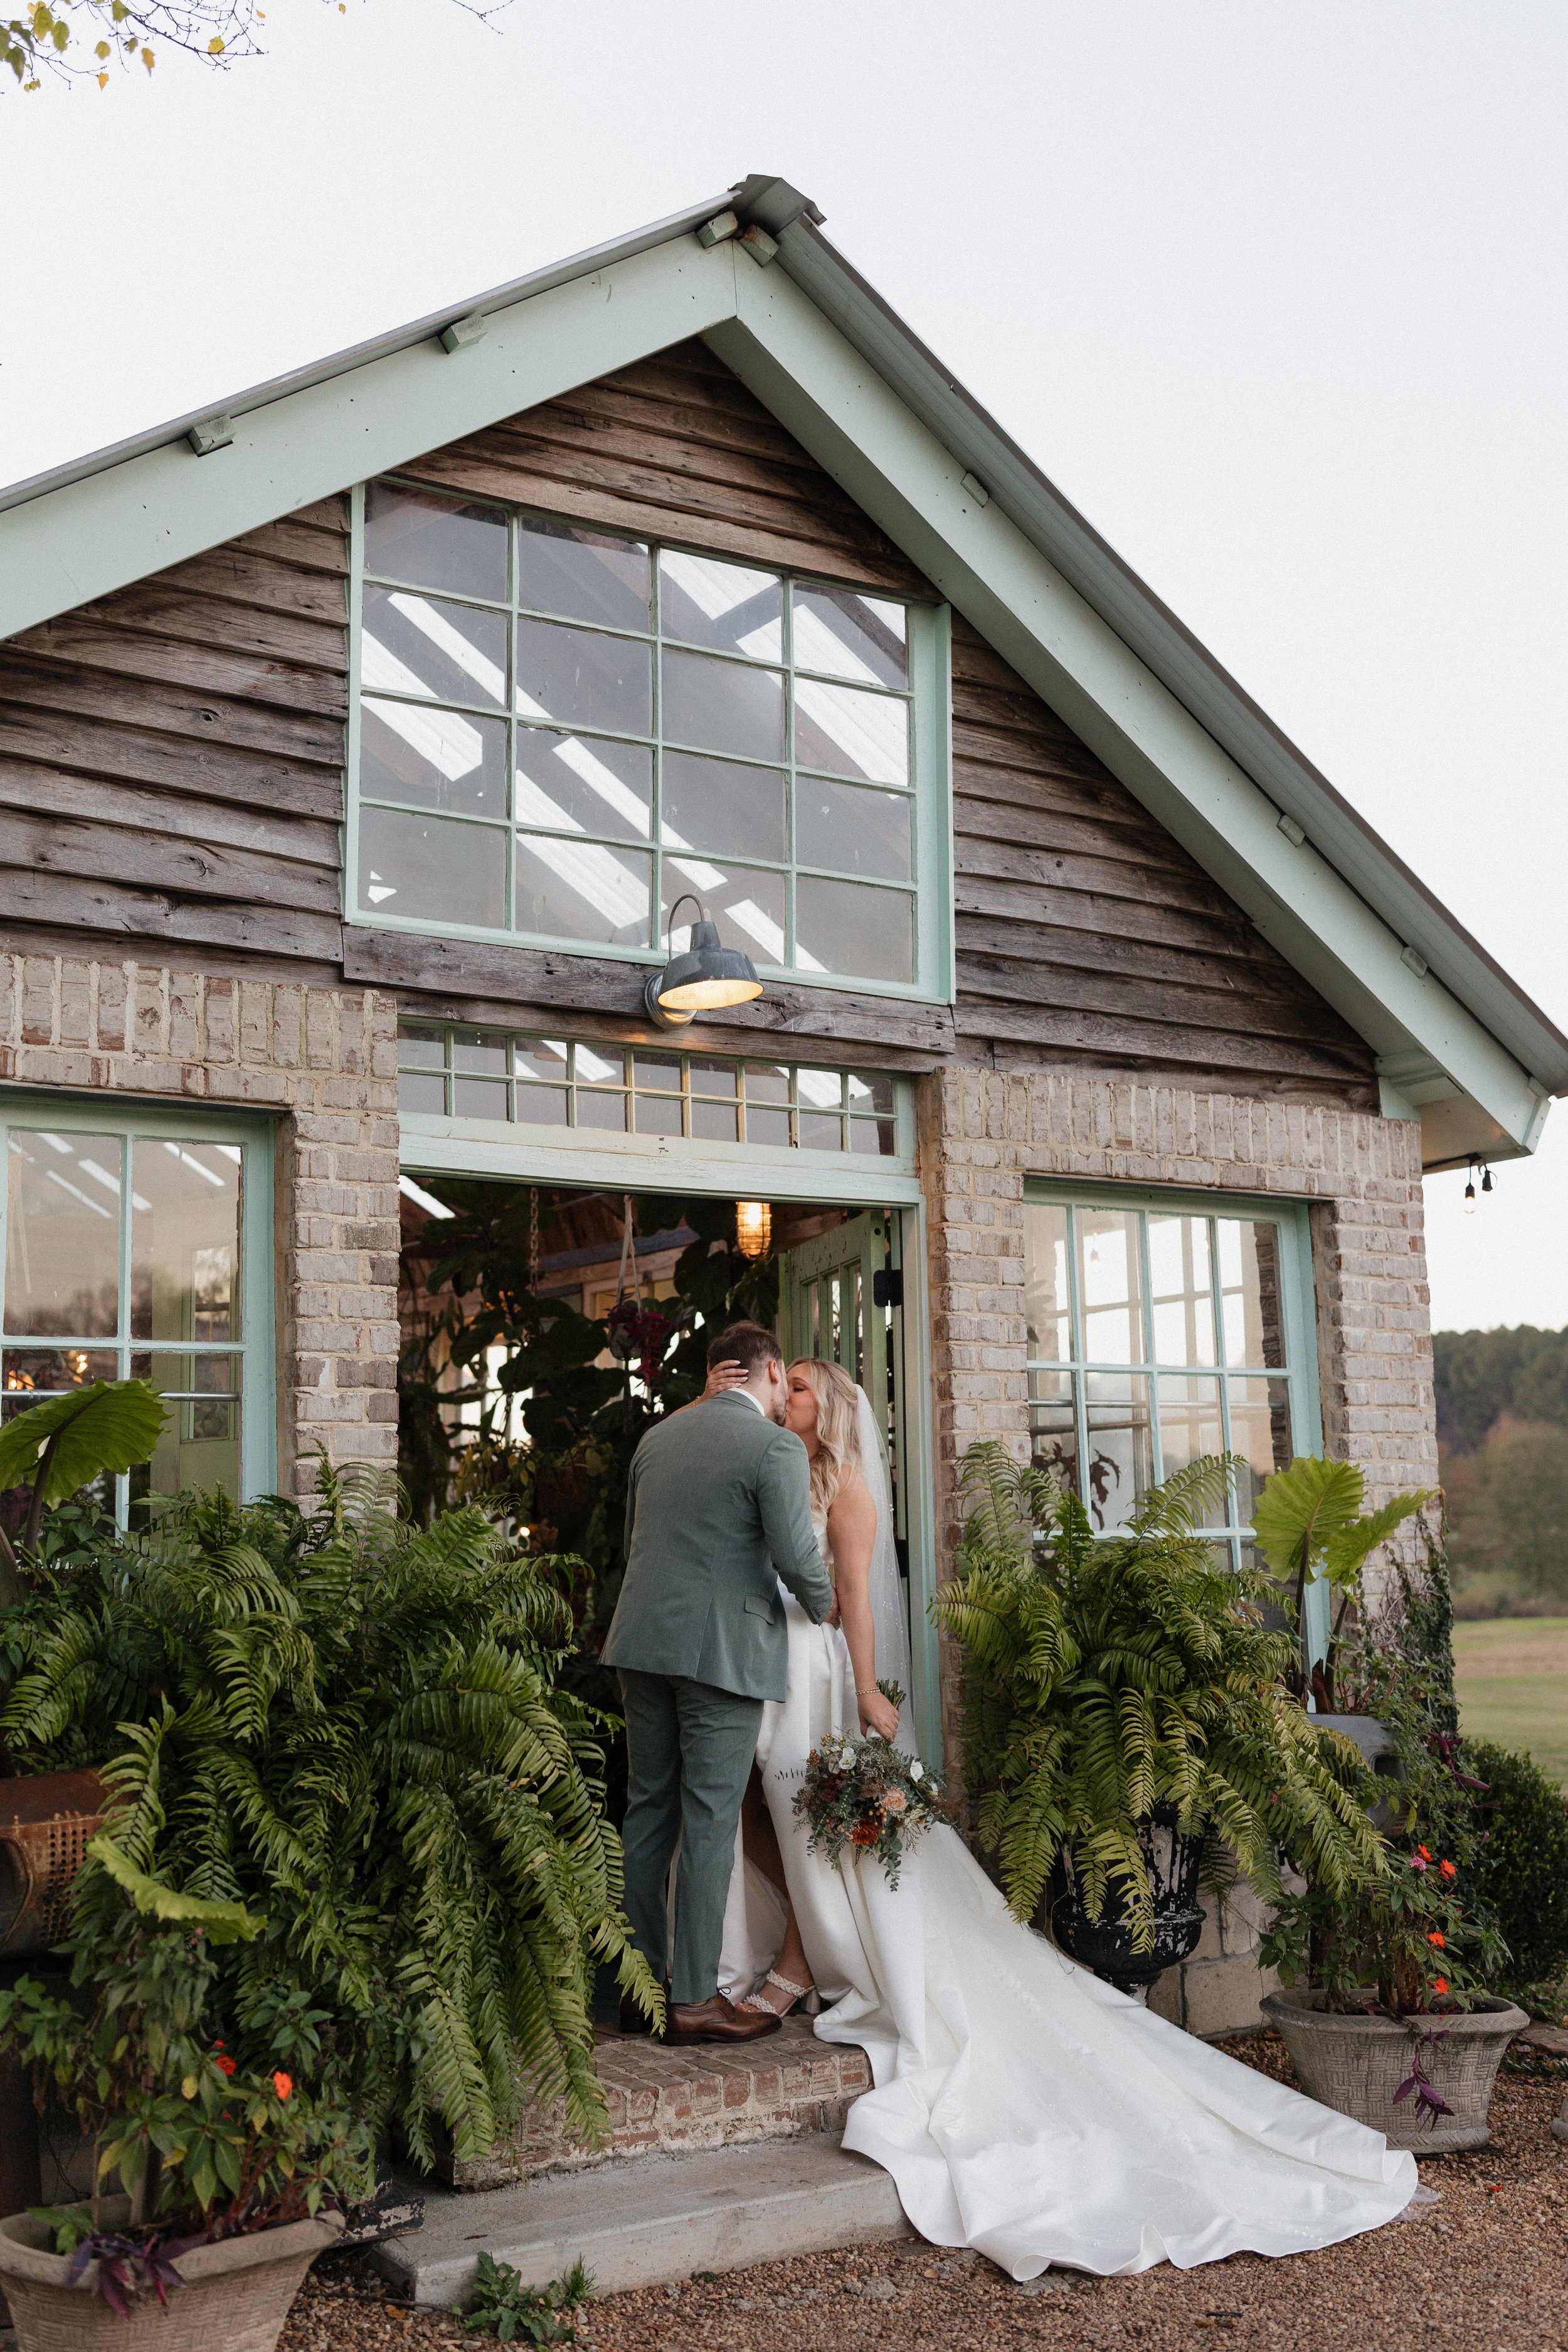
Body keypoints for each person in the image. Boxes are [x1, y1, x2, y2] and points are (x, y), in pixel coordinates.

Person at [706, 1354, 1421, 2279]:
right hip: (776, 1676)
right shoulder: (773, 1469)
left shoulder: (842, 1486)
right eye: (782, 1383)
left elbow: (851, 1598)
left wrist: (874, 1699)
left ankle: (807, 1961)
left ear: (831, 1409)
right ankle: (803, 1952)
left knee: (821, 1827)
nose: (783, 1392)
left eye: (798, 1385)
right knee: (776, 1821)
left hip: (827, 1681)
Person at [601, 1320, 835, 2046]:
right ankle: (695, 1999)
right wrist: (826, 1608)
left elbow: (643, 1537)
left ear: (712, 1374)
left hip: (640, 1642)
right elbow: (797, 1560)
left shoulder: (657, 1439)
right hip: (721, 1653)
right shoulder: (772, 1447)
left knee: (647, 1813)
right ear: (768, 1374)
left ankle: (635, 1994)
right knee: (708, 1820)